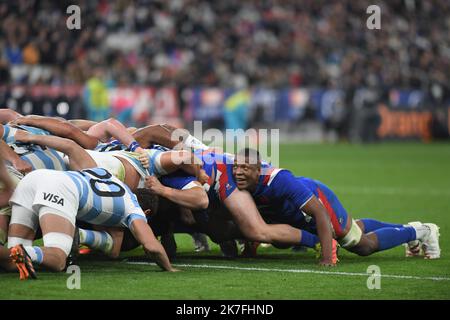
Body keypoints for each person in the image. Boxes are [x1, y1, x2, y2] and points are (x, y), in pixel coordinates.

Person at [232, 148, 441, 260]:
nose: (238, 172)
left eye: (245, 167)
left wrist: (327, 256)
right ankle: (409, 230)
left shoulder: (279, 180)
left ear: (259, 171)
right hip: (293, 214)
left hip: (318, 199)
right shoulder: (234, 180)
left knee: (358, 244)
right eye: (236, 167)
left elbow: (320, 212)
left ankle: (421, 232)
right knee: (353, 228)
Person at [0, 167, 178, 280]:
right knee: (57, 258)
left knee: (10, 263)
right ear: (146, 212)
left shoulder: (113, 179)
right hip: (60, 188)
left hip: (34, 178)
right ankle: (24, 252)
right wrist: (169, 268)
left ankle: (21, 252)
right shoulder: (134, 209)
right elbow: (151, 245)